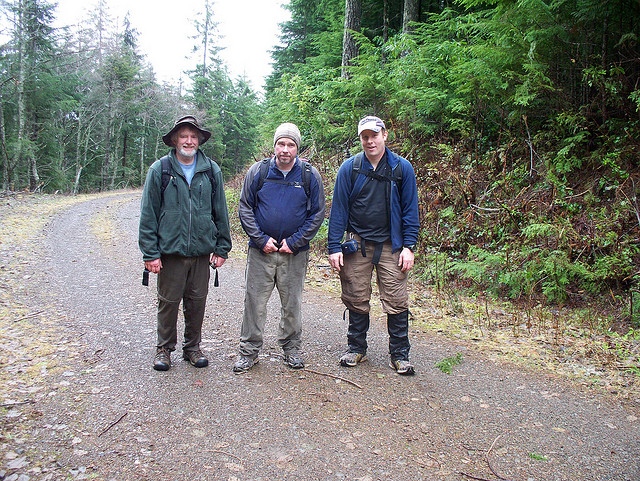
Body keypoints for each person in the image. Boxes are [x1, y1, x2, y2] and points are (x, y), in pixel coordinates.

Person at [328, 115, 419, 375]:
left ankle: (400, 354)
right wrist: (334, 246)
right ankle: (356, 348)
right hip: (357, 243)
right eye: (365, 137)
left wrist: (409, 246)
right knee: (356, 296)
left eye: (374, 135)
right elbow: (339, 210)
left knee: (397, 299)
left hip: (392, 245)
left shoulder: (402, 169)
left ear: (385, 135)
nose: (370, 141)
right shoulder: (350, 168)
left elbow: (410, 211)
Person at [139, 115, 232, 371]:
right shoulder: (160, 170)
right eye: (183, 136)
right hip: (170, 253)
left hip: (202, 252)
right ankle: (164, 348)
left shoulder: (211, 170)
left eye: (193, 136)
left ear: (199, 140)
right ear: (174, 140)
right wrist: (150, 253)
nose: (188, 141)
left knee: (197, 301)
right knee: (168, 302)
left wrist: (222, 247)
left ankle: (192, 348)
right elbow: (148, 215)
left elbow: (220, 212)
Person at [234, 123, 326, 372]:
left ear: (298, 148)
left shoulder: (309, 175)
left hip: (294, 254)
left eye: (291, 144)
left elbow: (317, 213)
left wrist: (295, 242)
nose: (285, 149)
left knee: (292, 302)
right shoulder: (259, 171)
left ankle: (291, 349)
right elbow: (245, 208)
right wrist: (260, 239)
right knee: (254, 301)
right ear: (274, 146)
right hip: (260, 251)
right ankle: (249, 351)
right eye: (281, 144)